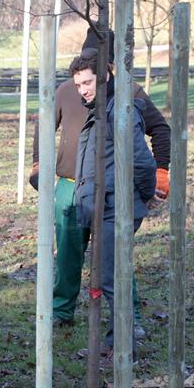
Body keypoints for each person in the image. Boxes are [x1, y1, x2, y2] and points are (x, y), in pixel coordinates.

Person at [30, 28, 170, 338]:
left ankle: (128, 319)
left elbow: (160, 129)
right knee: (67, 253)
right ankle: (61, 311)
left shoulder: (128, 93)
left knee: (114, 256)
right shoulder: (68, 89)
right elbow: (43, 125)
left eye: (96, 65)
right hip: (70, 186)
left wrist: (161, 171)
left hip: (112, 191)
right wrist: (39, 164)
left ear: (108, 66)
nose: (83, 86)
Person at [68, 49, 157, 360]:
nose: (83, 90)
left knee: (111, 279)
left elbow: (142, 162)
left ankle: (123, 351)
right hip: (103, 208)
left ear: (105, 75)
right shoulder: (103, 108)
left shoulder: (119, 110)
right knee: (109, 276)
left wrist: (142, 196)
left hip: (117, 209)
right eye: (78, 85)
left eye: (88, 82)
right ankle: (112, 343)